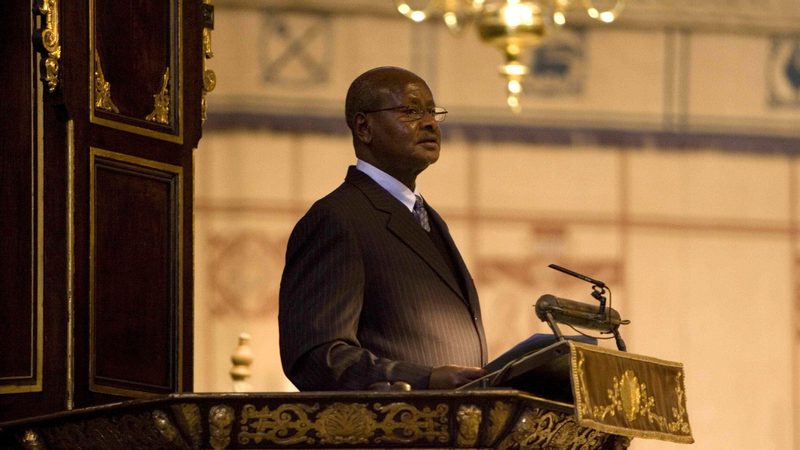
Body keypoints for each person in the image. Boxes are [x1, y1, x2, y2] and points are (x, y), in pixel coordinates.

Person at [279, 66, 487, 391]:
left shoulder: (429, 218)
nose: (430, 123)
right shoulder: (338, 218)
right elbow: (316, 356)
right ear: (364, 127)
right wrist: (426, 379)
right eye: (411, 111)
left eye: (433, 112)